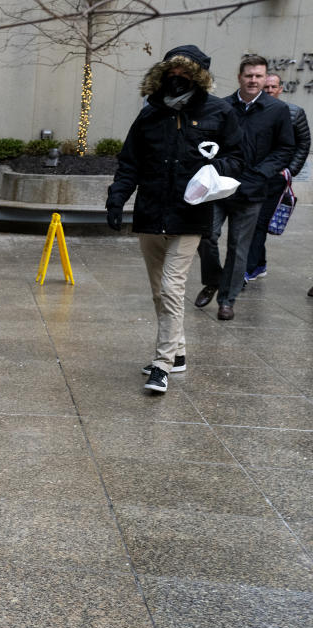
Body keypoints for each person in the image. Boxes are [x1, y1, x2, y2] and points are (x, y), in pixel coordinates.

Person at [107, 45, 243, 393]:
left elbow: (237, 158)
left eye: (184, 76)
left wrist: (215, 166)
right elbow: (130, 162)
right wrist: (117, 198)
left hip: (190, 214)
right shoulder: (150, 114)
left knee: (171, 287)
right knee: (158, 291)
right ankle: (178, 353)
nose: (177, 81)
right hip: (151, 213)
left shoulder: (219, 112)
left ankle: (162, 365)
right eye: (171, 75)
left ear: (197, 78)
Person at [194, 55, 294, 320]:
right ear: (240, 77)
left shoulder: (277, 110)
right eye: (249, 75)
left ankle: (227, 299)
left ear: (265, 79)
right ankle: (213, 279)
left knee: (239, 247)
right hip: (219, 187)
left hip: (253, 189)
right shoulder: (221, 106)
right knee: (206, 236)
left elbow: (285, 148)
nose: (253, 80)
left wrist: (261, 174)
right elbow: (207, 141)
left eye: (259, 76)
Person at [244, 73, 310, 282]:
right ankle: (259, 264)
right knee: (253, 222)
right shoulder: (253, 111)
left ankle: (250, 268)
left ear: (281, 89)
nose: (270, 90)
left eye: (274, 87)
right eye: (267, 87)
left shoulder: (294, 112)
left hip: (276, 179)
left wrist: (290, 170)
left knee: (259, 222)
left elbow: (303, 143)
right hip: (254, 176)